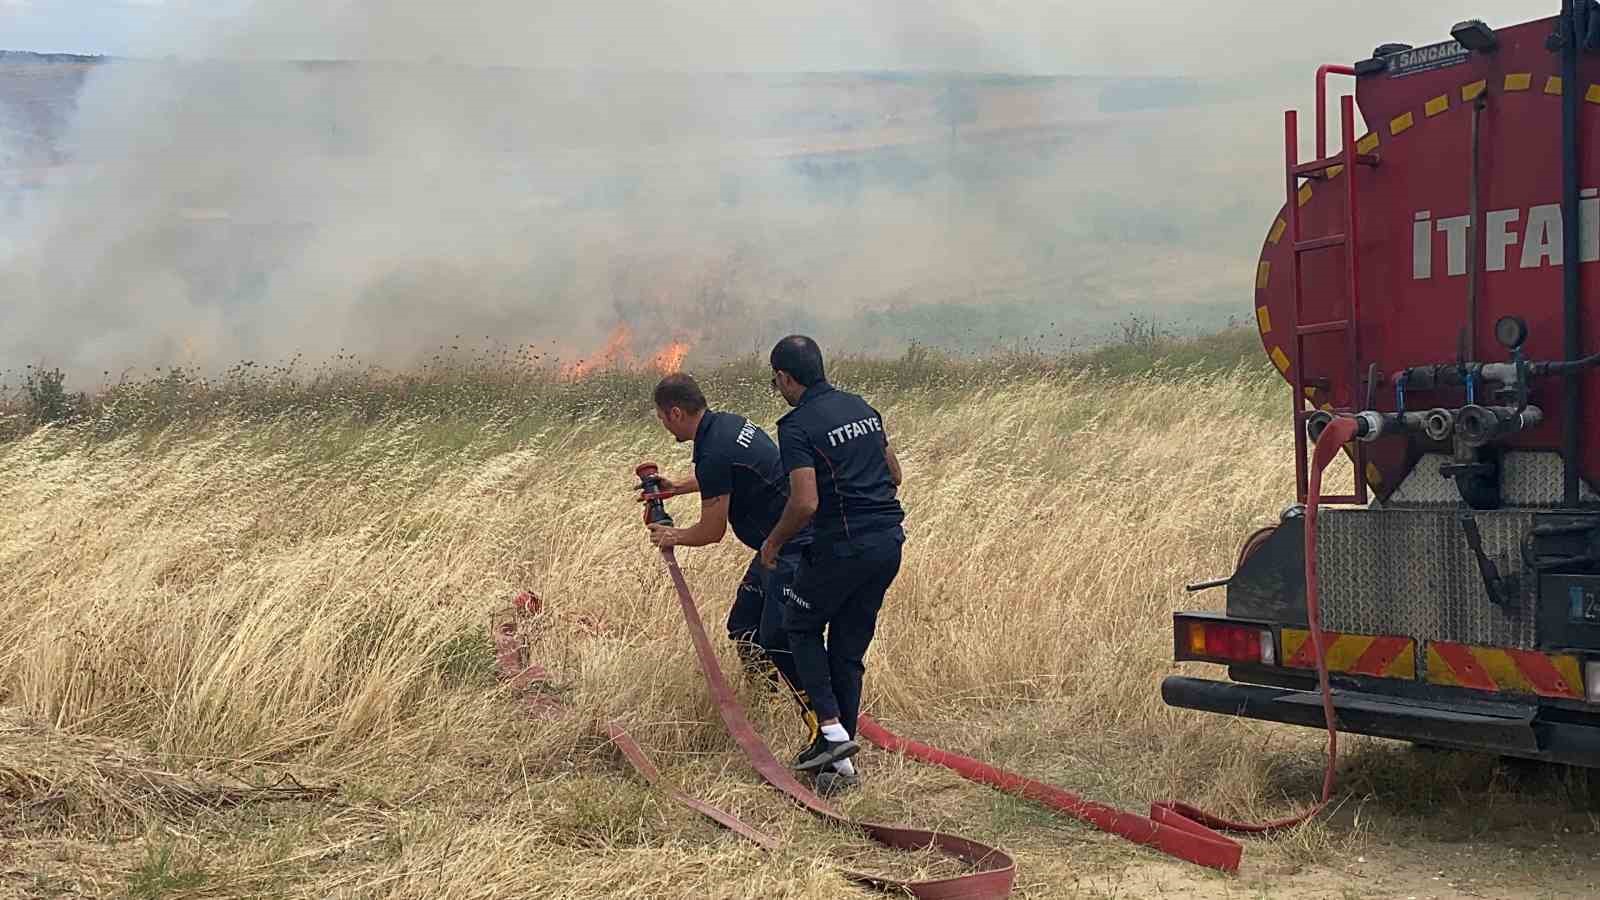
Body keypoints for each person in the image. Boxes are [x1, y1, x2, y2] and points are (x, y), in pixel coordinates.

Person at [760, 335, 904, 795]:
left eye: (776, 381)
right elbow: (895, 475)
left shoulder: (796, 426)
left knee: (796, 625)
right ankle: (839, 767)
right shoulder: (862, 407)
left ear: (785, 377)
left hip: (842, 547)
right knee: (846, 649)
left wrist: (774, 541)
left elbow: (804, 502)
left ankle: (831, 730)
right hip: (887, 543)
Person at [642, 372, 812, 698]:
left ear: (675, 413)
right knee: (744, 626)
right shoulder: (727, 425)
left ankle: (822, 721)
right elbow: (727, 475)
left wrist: (672, 536)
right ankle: (765, 702)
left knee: (779, 636)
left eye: (662, 417)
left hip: (794, 548)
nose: (664, 424)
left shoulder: (713, 451)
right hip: (777, 546)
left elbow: (711, 531)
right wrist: (677, 487)